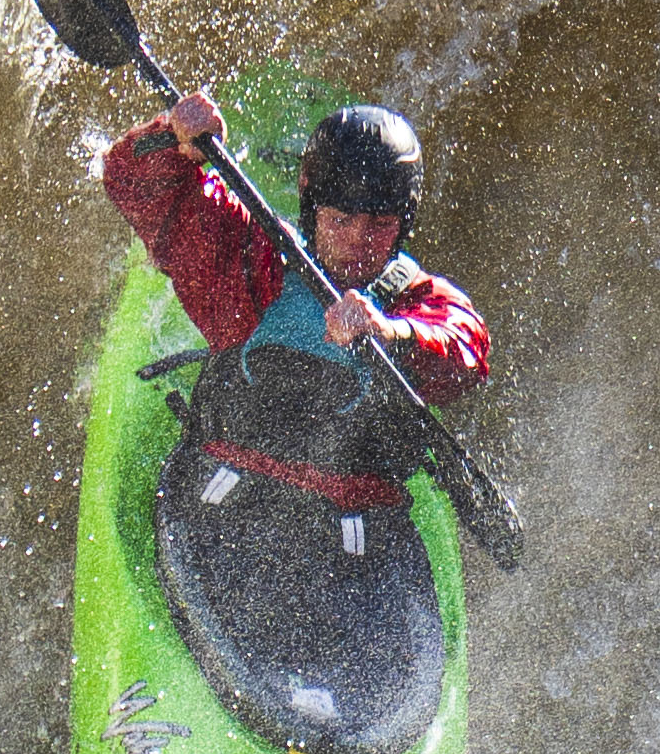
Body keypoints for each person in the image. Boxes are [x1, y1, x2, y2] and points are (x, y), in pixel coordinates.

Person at [97, 83, 493, 489]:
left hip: (362, 522)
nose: (359, 239)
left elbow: (468, 347)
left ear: (404, 220)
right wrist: (172, 140)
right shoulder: (252, 260)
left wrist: (389, 332)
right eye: (340, 219)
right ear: (312, 205)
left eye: (379, 224)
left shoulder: (413, 299)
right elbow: (128, 180)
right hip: (227, 498)